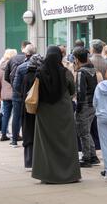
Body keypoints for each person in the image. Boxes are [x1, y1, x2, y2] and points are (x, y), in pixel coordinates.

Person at [32, 46, 81, 184]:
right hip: (63, 110)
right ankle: (69, 174)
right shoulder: (65, 72)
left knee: (46, 144)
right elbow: (72, 90)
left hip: (45, 111)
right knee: (66, 141)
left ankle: (47, 174)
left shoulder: (40, 72)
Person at [73, 47, 101, 167]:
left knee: (83, 132)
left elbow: (80, 91)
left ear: (77, 59)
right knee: (87, 131)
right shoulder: (93, 70)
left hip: (84, 105)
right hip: (92, 104)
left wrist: (78, 107)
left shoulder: (81, 72)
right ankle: (93, 156)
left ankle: (86, 157)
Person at [5, 40, 32, 147]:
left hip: (17, 93)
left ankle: (14, 140)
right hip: (31, 93)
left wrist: (14, 86)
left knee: (16, 116)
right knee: (29, 116)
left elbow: (6, 76)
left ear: (23, 48)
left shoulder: (13, 59)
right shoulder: (36, 60)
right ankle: (28, 139)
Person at [21, 54, 44, 171]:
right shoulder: (39, 76)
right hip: (37, 108)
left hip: (26, 108)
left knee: (28, 132)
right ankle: (35, 161)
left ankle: (28, 162)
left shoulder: (26, 75)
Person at [10, 43, 36, 148]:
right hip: (35, 96)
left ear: (26, 54)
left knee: (17, 117)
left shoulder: (21, 67)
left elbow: (16, 85)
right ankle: (31, 139)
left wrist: (22, 94)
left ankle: (15, 140)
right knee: (32, 117)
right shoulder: (40, 65)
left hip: (20, 96)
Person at [0, 49, 17, 141]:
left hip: (4, 95)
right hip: (15, 95)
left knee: (6, 115)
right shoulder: (15, 66)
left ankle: (3, 134)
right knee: (16, 115)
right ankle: (15, 136)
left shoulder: (0, 68)